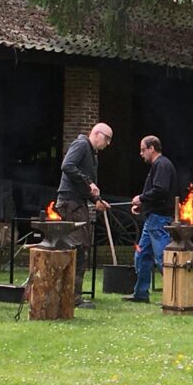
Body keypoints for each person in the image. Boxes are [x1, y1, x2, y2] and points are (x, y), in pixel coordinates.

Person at [56, 123, 112, 309]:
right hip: (70, 202)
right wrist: (89, 183)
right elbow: (67, 166)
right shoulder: (81, 145)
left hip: (77, 202)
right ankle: (72, 297)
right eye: (107, 138)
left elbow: (84, 185)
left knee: (81, 247)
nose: (108, 144)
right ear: (97, 134)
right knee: (79, 248)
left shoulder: (92, 154)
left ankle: (71, 294)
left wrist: (97, 199)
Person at [128, 135, 177, 303]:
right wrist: (143, 205)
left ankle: (175, 294)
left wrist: (141, 199)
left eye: (143, 150)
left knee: (163, 258)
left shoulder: (162, 165)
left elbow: (160, 190)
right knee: (141, 256)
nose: (141, 154)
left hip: (159, 219)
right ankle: (141, 294)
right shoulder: (158, 165)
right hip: (152, 218)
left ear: (152, 148)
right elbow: (157, 194)